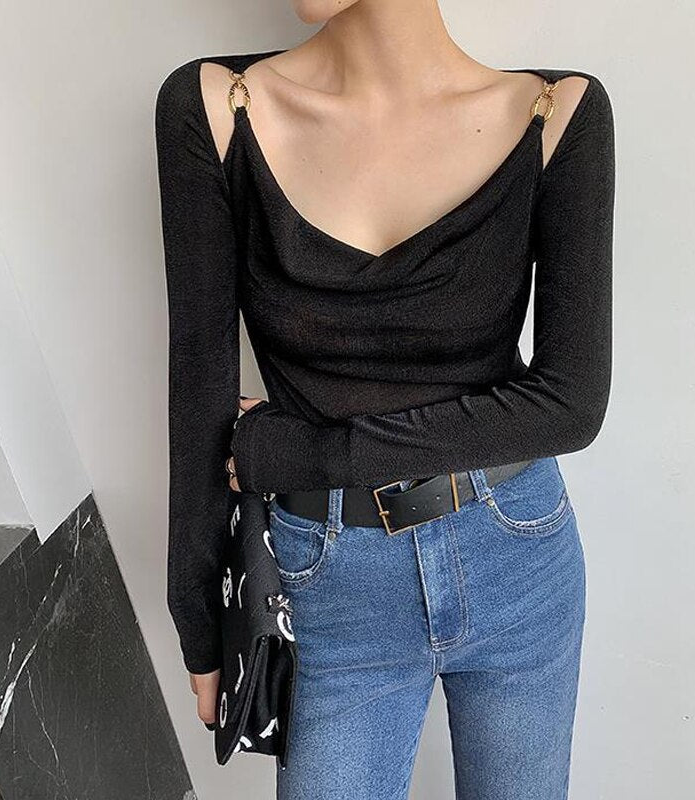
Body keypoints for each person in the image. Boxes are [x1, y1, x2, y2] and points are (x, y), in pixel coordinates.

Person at [154, 1, 615, 797]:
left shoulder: (554, 113)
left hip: (516, 554)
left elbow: (570, 403)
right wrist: (198, 620)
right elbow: (198, 383)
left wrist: (307, 452)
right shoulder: (219, 109)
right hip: (326, 580)